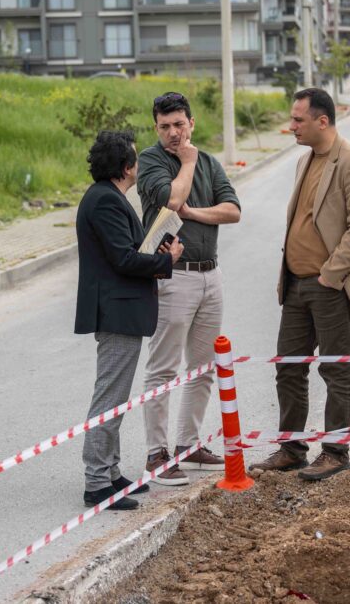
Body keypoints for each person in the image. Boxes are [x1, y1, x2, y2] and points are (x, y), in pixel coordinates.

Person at [249, 87, 350, 481]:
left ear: (322, 121)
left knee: (336, 368)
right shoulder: (305, 161)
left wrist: (331, 273)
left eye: (298, 120)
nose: (290, 126)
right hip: (295, 285)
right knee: (289, 367)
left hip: (331, 287)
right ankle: (292, 449)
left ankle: (335, 452)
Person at [136, 92, 241, 486]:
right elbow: (172, 197)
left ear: (191, 123)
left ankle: (187, 445)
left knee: (202, 369)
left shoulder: (211, 163)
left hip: (209, 274)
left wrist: (194, 213)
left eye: (179, 125)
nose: (173, 133)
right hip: (171, 276)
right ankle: (157, 455)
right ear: (156, 128)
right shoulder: (152, 161)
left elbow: (232, 210)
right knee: (162, 369)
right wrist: (188, 162)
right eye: (165, 127)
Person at [75, 130, 183, 510]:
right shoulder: (105, 201)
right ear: (126, 167)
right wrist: (165, 262)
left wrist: (157, 251)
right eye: (135, 160)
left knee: (117, 398)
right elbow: (123, 259)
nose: (138, 165)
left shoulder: (109, 197)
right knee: (110, 397)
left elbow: (126, 252)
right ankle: (96, 483)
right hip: (117, 312)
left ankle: (111, 472)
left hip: (124, 310)